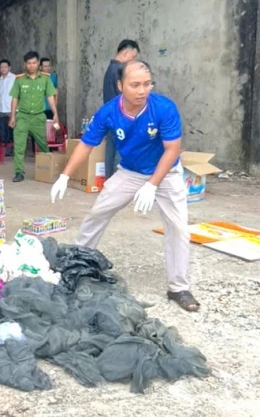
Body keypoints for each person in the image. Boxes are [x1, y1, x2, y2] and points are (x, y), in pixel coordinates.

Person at [51, 60, 199, 312]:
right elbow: (87, 145)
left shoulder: (163, 108)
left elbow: (172, 149)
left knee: (178, 227)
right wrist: (65, 175)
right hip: (130, 172)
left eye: (147, 84)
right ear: (120, 86)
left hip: (166, 172)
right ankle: (77, 264)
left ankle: (178, 287)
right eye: (135, 85)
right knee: (99, 211)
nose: (142, 91)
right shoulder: (108, 112)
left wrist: (152, 184)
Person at [9, 51, 58, 183]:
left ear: (38, 64)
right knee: (19, 146)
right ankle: (19, 172)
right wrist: (12, 116)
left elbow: (50, 97)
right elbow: (15, 98)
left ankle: (47, 170)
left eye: (34, 63)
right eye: (29, 63)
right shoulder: (19, 80)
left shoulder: (45, 79)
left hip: (38, 117)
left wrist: (55, 113)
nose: (32, 66)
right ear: (25, 64)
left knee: (43, 145)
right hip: (23, 117)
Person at [103, 39, 140, 179]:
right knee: (120, 151)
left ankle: (110, 181)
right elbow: (125, 97)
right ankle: (118, 181)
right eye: (133, 56)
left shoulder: (110, 69)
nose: (133, 60)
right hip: (121, 116)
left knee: (111, 151)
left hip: (111, 116)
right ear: (125, 53)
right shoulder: (119, 71)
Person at [0, 59, 15, 156]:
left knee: (12, 130)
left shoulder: (14, 78)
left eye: (5, 67)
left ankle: (12, 149)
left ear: (9, 68)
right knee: (3, 130)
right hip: (2, 109)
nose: (3, 69)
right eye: (1, 67)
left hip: (11, 109)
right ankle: (6, 150)